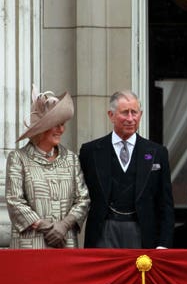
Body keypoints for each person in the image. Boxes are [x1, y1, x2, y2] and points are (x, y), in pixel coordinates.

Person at [79, 90, 174, 248]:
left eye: (134, 112)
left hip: (143, 233)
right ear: (111, 115)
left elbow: (165, 203)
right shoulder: (90, 151)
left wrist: (164, 244)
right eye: (125, 113)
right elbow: (79, 195)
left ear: (140, 115)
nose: (130, 118)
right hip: (103, 232)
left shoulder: (157, 152)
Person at [5, 85, 90, 248]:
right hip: (30, 246)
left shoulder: (71, 159)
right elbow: (14, 200)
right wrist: (47, 227)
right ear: (42, 129)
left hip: (65, 244)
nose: (61, 129)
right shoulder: (18, 158)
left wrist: (64, 226)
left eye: (62, 124)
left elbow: (83, 200)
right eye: (56, 125)